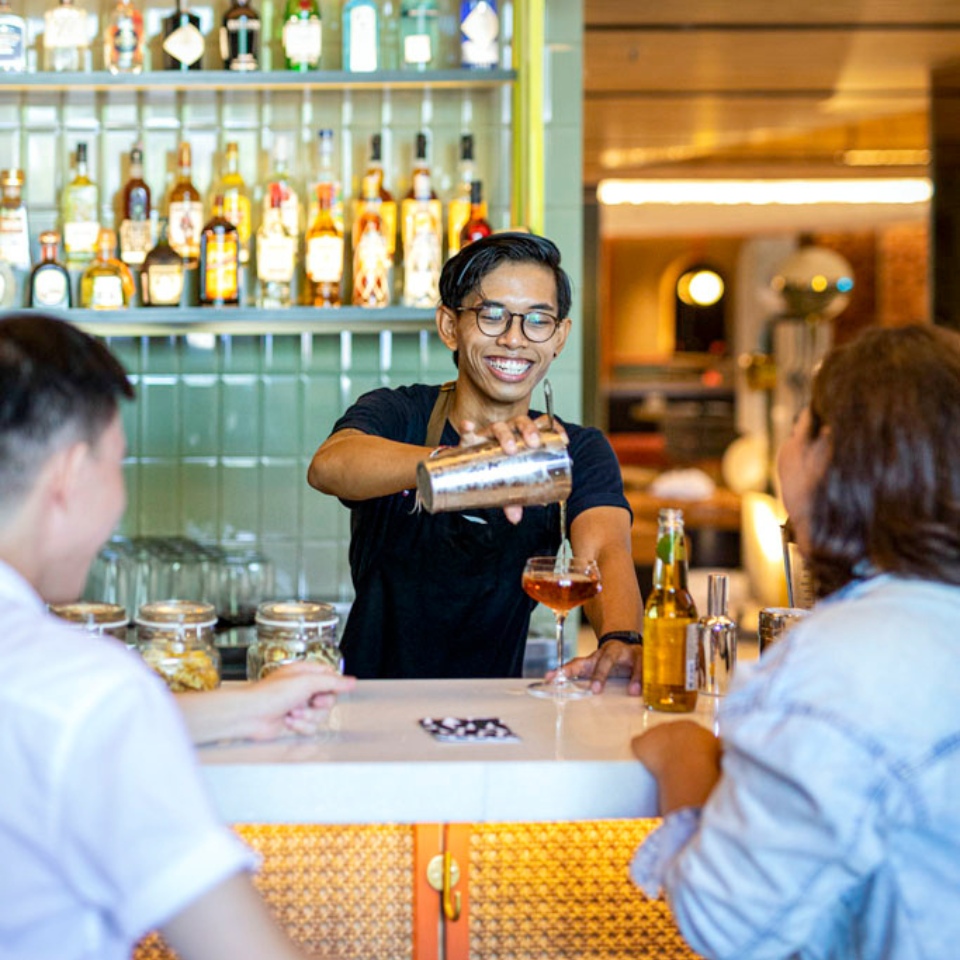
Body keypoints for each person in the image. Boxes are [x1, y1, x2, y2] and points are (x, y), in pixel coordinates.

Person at [0, 313, 355, 959]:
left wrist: (246, 704)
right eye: (119, 464)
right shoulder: (86, 691)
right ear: (70, 474)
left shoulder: (81, 698)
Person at [630, 324, 960, 959]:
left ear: (827, 454)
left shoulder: (843, 662)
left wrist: (684, 755)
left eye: (797, 426)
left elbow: (724, 921)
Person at [308, 232, 643, 690]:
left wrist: (621, 638)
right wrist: (461, 463)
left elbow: (604, 551)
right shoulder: (399, 413)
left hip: (495, 706)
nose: (514, 339)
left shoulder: (576, 448)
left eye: (537, 321)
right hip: (368, 700)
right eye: (491, 315)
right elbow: (330, 465)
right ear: (449, 325)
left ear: (559, 337)